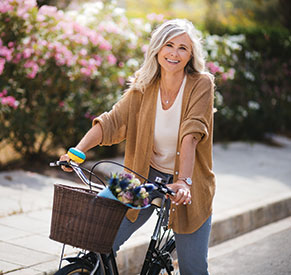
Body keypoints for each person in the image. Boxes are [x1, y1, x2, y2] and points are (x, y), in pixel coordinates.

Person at [60, 18, 215, 275]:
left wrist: (184, 182)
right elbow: (111, 121)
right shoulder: (144, 86)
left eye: (182, 48)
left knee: (194, 268)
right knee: (99, 240)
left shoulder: (201, 84)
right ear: (157, 48)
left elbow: (192, 132)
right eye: (169, 45)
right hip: (142, 176)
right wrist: (77, 151)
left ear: (190, 55)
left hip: (190, 184)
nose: (174, 53)